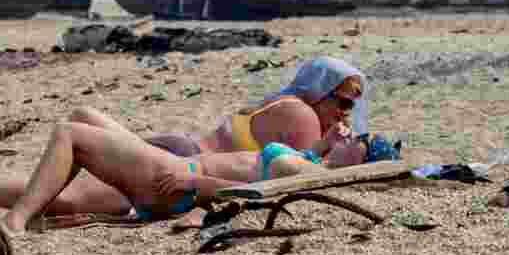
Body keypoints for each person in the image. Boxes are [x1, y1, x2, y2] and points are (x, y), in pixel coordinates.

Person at [0, 120, 398, 236]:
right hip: (173, 186)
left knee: (71, 133)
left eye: (359, 136)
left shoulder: (304, 170)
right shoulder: (311, 162)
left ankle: (16, 223)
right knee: (73, 189)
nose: (348, 130)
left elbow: (262, 191)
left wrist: (199, 187)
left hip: (177, 178)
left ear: (361, 158)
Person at [74, 55, 372, 160]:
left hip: (183, 148)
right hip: (185, 162)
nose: (347, 112)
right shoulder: (303, 116)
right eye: (343, 102)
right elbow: (306, 173)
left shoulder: (282, 101)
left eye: (352, 105)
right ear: (320, 92)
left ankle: (82, 123)